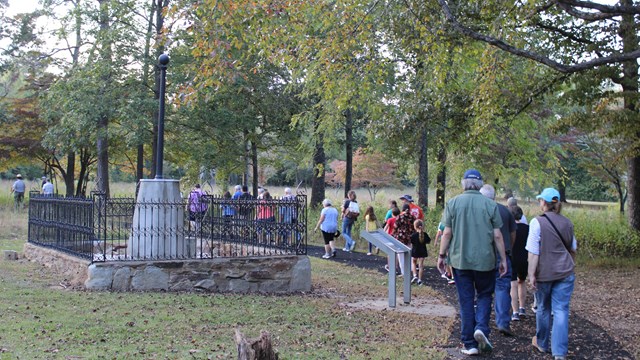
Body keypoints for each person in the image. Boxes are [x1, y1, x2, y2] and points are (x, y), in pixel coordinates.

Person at [437, 169, 507, 356]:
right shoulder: (490, 205)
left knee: (466, 300)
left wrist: (441, 255)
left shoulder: (453, 203)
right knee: (484, 295)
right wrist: (503, 260)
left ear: (464, 183)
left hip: (461, 261)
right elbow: (498, 235)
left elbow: (447, 233)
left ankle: (469, 343)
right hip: (485, 260)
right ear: (480, 184)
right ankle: (481, 328)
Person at [526, 188, 577, 360]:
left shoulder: (536, 223)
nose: (539, 202)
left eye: (540, 200)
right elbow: (573, 249)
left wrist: (531, 274)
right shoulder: (568, 223)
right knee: (561, 310)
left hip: (544, 274)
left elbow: (533, 252)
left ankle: (541, 343)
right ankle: (559, 353)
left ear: (544, 203)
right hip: (565, 272)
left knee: (543, 307)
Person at [480, 184, 517, 337]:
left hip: (483, 255)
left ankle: (482, 321)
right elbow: (513, 233)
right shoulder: (505, 211)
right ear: (494, 196)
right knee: (502, 287)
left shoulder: (479, 211)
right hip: (503, 255)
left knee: (483, 289)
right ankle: (502, 322)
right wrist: (508, 248)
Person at [510, 205, 529, 321]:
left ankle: (515, 312)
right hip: (524, 259)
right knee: (522, 282)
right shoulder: (528, 228)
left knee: (513, 285)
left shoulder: (510, 229)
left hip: (513, 258)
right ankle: (522, 308)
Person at [393, 203, 415, 277]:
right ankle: (410, 270)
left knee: (401, 255)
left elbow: (395, 227)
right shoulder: (412, 217)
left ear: (402, 209)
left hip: (400, 238)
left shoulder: (399, 217)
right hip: (410, 238)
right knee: (409, 255)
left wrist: (394, 234)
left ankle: (403, 272)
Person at [410, 219, 430, 285]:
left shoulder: (413, 235)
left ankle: (415, 275)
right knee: (421, 265)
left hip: (415, 251)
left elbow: (411, 242)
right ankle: (420, 279)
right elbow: (428, 241)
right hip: (422, 251)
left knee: (414, 262)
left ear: (415, 226)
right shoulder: (425, 234)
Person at [383, 207, 400, 273]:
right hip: (397, 237)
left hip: (390, 237)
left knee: (390, 253)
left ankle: (389, 266)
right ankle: (396, 266)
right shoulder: (399, 220)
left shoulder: (390, 220)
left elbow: (385, 228)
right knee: (397, 253)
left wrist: (383, 234)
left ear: (392, 214)